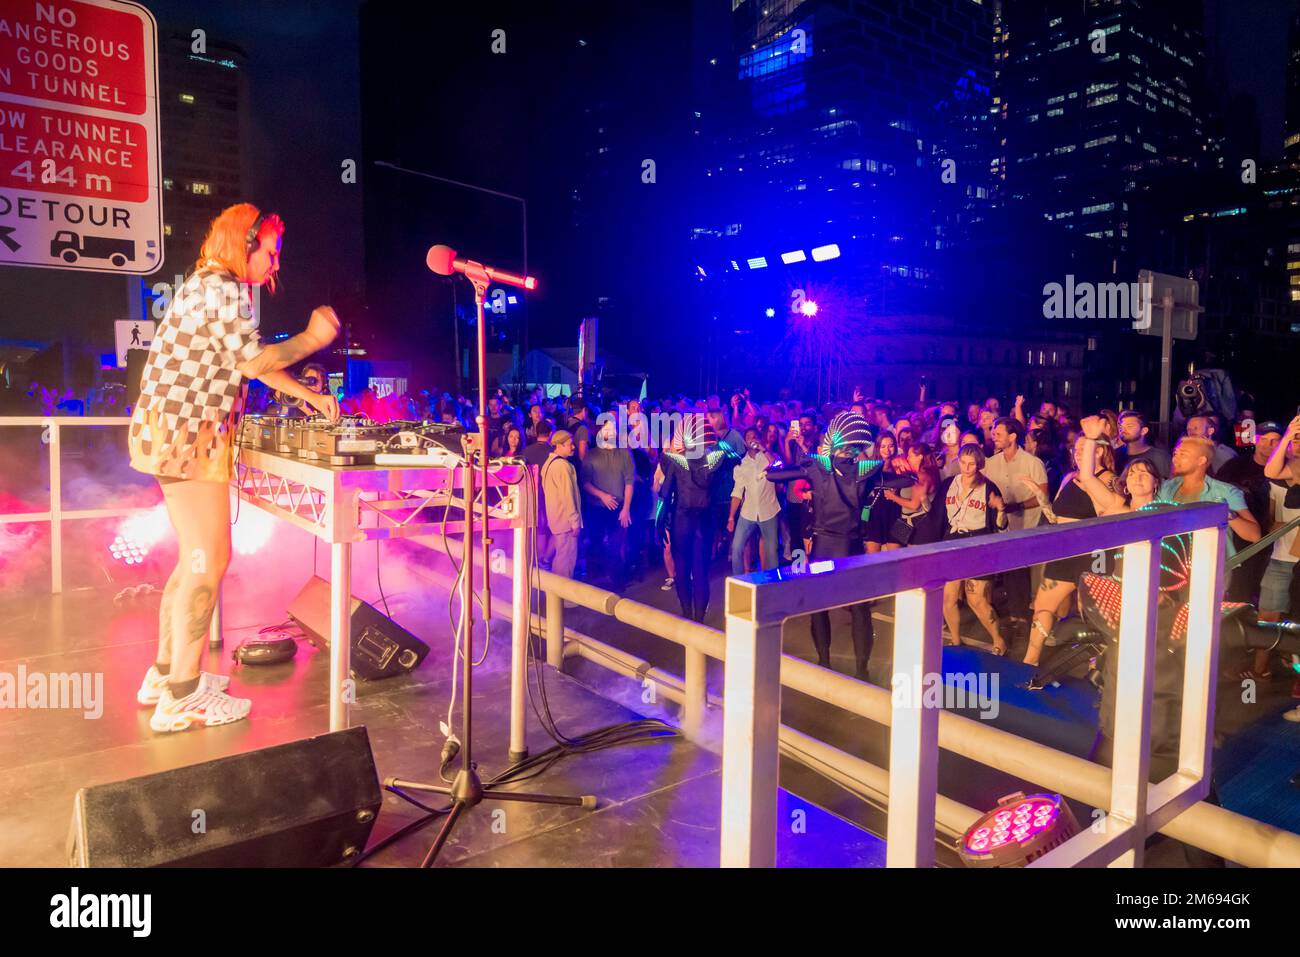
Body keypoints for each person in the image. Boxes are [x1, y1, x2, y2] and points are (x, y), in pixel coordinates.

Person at [129, 203, 340, 732]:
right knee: (209, 558)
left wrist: (306, 397)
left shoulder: (209, 286)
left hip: (175, 433)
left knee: (192, 559)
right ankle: (181, 696)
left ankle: (165, 674)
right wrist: (313, 340)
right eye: (270, 252)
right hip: (187, 437)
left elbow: (247, 362)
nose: (275, 264)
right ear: (243, 245)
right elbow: (254, 362)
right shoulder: (222, 289)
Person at [764, 411, 889, 680]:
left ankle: (824, 661)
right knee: (859, 610)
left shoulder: (817, 466)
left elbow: (774, 477)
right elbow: (902, 482)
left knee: (819, 606)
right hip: (852, 548)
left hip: (822, 546)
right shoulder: (866, 470)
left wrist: (774, 467)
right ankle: (861, 670)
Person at [1023, 426, 1118, 666]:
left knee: (1096, 617)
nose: (1078, 453)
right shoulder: (1068, 478)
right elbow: (1055, 517)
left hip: (1094, 554)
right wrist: (1041, 497)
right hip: (1064, 552)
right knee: (1043, 608)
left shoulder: (1109, 480)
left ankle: (1102, 671)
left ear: (1099, 451)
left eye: (1085, 449)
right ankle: (1029, 661)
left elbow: (1109, 517)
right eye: (1076, 449)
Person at [658, 419, 733, 622]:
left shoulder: (678, 460)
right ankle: (699, 620)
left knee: (682, 571)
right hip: (706, 521)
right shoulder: (716, 460)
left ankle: (686, 615)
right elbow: (736, 457)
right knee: (701, 573)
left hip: (682, 520)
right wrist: (718, 442)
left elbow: (665, 493)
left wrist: (659, 522)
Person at [937, 444, 1009, 654]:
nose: (967, 468)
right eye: (963, 463)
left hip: (978, 544)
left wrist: (1001, 509)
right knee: (948, 598)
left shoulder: (988, 487)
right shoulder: (950, 483)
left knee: (976, 599)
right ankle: (956, 640)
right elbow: (938, 516)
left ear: (979, 465)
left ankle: (998, 639)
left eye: (972, 464)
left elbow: (1001, 525)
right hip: (953, 542)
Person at [982, 416, 1050, 635]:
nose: (994, 437)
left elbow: (1043, 496)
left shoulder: (1032, 463)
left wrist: (1015, 505)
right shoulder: (991, 463)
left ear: (1012, 436)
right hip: (1002, 526)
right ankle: (1015, 614)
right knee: (1010, 570)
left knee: (1026, 572)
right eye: (993, 433)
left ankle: (1029, 614)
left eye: (998, 433)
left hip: (1028, 525)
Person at [1217, 421, 1284, 605]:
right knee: (1238, 588)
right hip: (1239, 539)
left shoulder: (1287, 470)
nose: (1268, 445)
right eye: (1264, 439)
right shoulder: (1234, 466)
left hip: (1275, 541)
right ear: (1255, 439)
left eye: (1275, 441)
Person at [580, 416, 635, 590]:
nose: (610, 433)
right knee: (595, 542)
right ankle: (596, 580)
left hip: (618, 508)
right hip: (596, 508)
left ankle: (616, 581)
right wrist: (602, 495)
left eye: (612, 430)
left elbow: (629, 483)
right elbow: (585, 482)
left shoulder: (624, 453)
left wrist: (626, 509)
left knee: (616, 544)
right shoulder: (592, 454)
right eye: (606, 430)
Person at [728, 428, 781, 573]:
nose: (752, 439)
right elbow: (737, 492)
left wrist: (763, 449)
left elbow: (777, 465)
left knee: (772, 552)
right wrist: (731, 517)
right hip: (748, 513)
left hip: (769, 510)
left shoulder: (768, 457)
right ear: (745, 442)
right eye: (749, 437)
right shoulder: (741, 464)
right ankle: (738, 580)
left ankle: (773, 585)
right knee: (736, 547)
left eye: (755, 436)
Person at [542, 431, 582, 580]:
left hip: (556, 518)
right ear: (559, 446)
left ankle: (557, 599)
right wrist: (575, 521)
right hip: (565, 521)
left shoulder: (549, 463)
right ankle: (564, 600)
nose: (573, 447)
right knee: (566, 559)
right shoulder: (562, 466)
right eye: (570, 444)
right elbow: (568, 496)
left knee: (561, 557)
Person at [1115, 410, 1171, 478]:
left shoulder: (1160, 457)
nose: (1123, 430)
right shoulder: (1114, 455)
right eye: (1121, 427)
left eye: (1129, 426)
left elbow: (1169, 485)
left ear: (1143, 431)